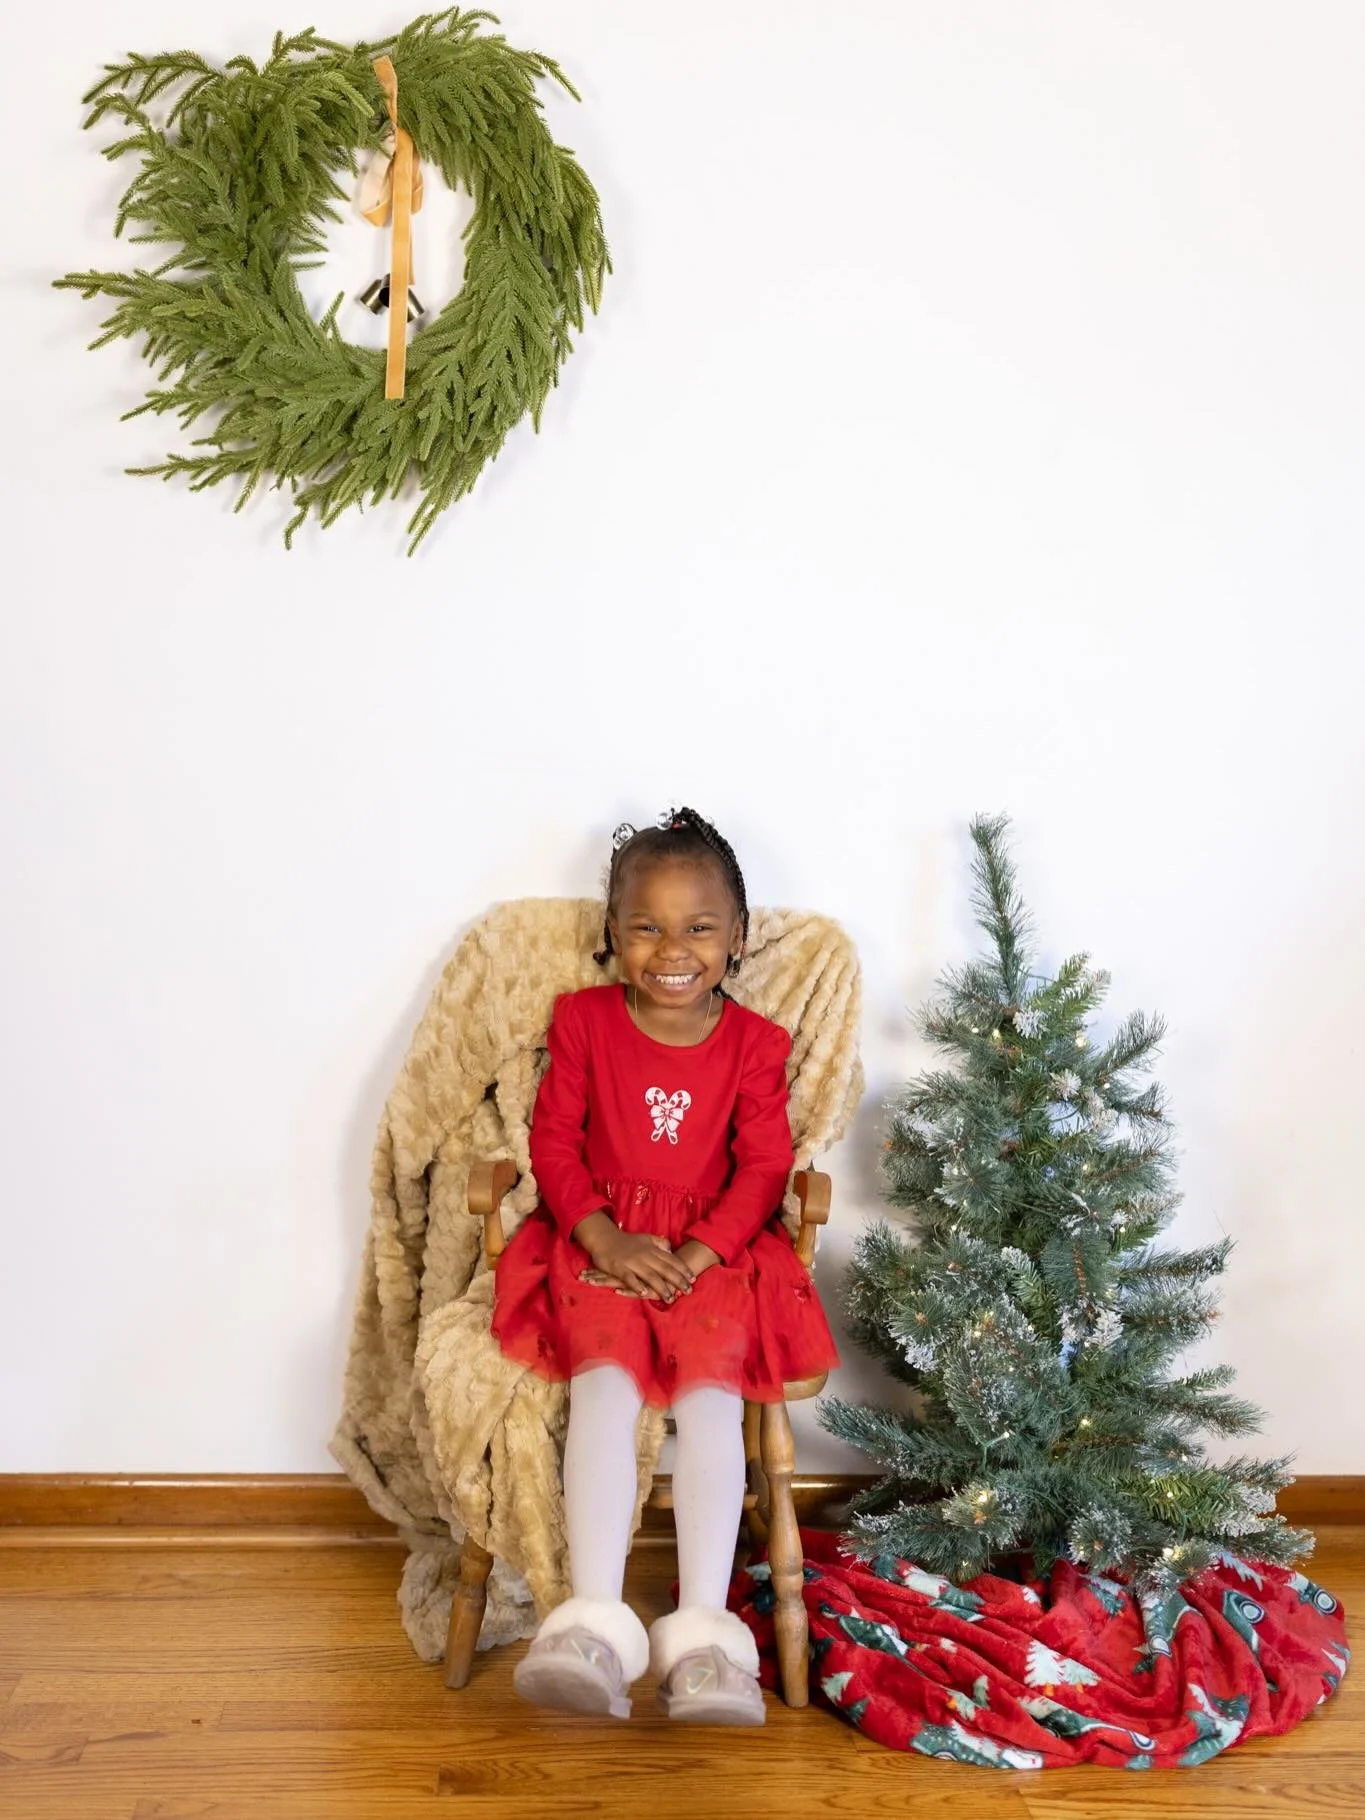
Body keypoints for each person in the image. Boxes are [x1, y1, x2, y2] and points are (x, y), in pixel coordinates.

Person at [491, 808, 839, 1725]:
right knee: (603, 1386)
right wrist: (602, 1237)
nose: (670, 949)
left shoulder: (756, 1046)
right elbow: (554, 1142)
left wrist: (700, 1250)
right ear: (612, 933)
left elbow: (764, 1164)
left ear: (737, 935)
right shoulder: (584, 1022)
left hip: (714, 1253)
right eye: (645, 926)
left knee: (712, 1399)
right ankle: (592, 1628)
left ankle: (702, 1635)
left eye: (698, 927)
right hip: (603, 1241)